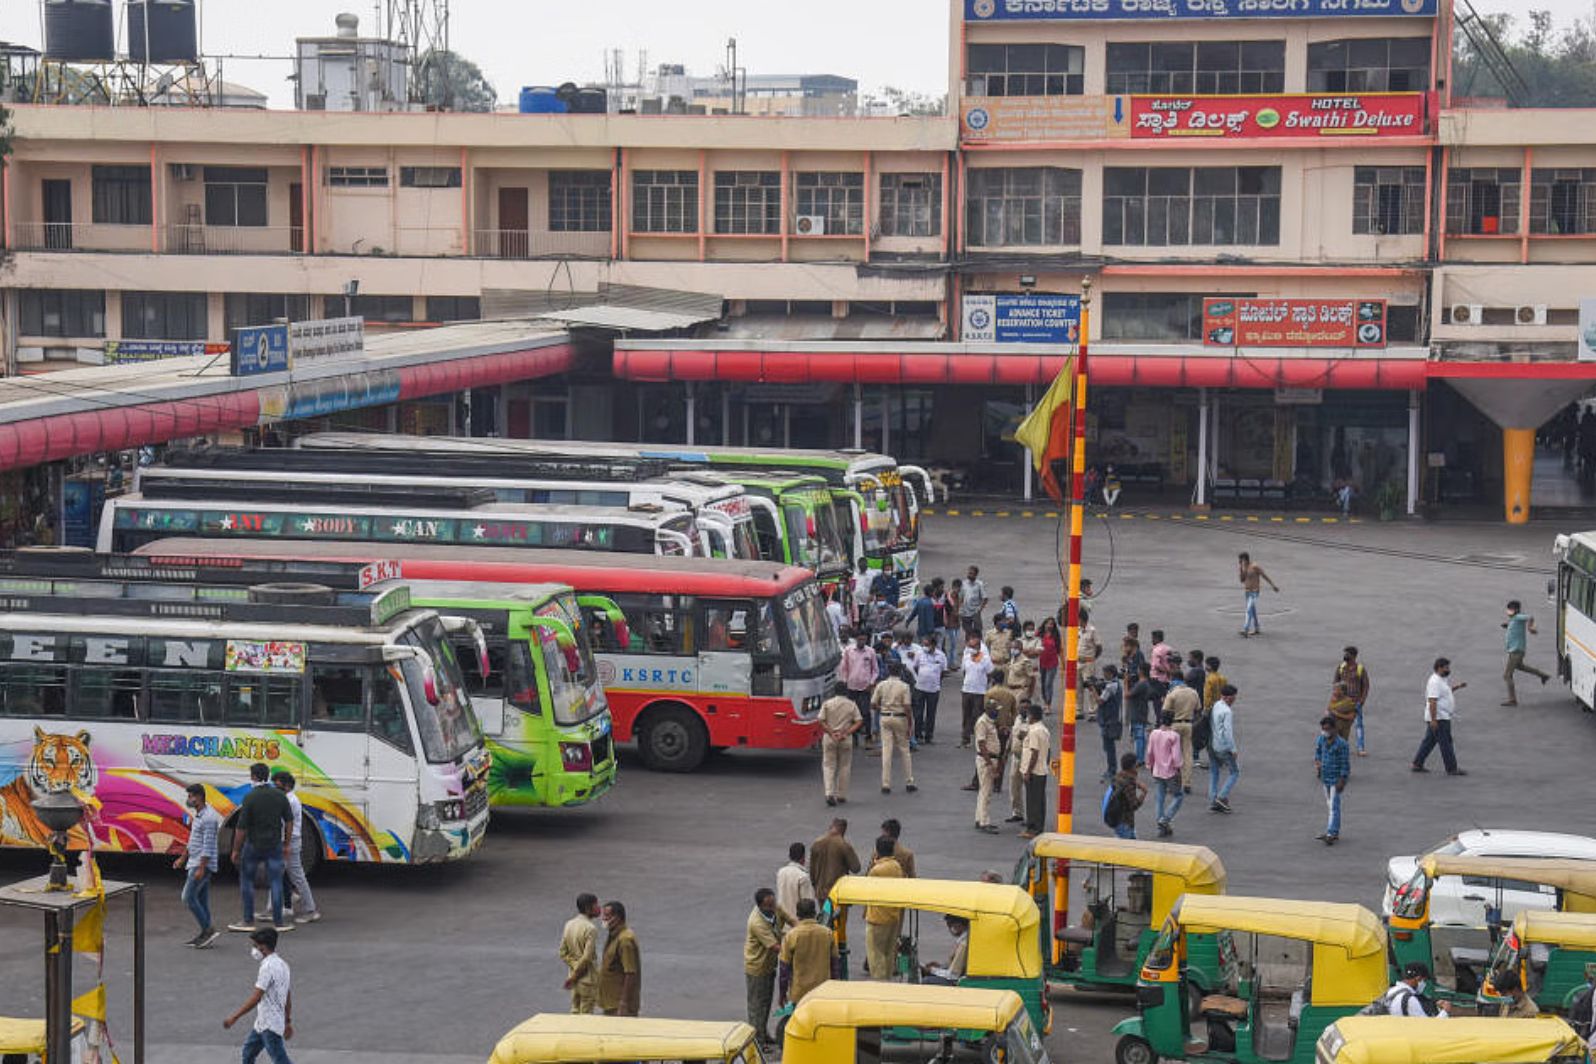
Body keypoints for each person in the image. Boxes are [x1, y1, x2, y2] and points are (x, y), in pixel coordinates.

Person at [229, 762, 295, 933]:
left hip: (253, 846)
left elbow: (241, 828)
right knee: (276, 882)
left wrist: (235, 850)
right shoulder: (280, 796)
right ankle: (279, 923)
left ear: (255, 777)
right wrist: (286, 844)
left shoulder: (250, 797)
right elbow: (289, 821)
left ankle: (248, 920)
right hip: (274, 846)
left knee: (247, 881)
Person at [224, 927, 294, 1064]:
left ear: (263, 947)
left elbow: (256, 997)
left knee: (280, 1060)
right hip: (263, 1023)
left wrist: (234, 1017)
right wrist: (287, 1021)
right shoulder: (283, 965)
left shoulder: (267, 968)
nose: (253, 950)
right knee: (248, 1053)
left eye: (255, 946)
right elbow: (287, 995)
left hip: (270, 1024)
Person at [176, 782, 222, 948]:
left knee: (188, 898)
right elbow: (194, 840)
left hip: (201, 864)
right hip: (194, 861)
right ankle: (205, 934)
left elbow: (208, 845)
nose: (188, 799)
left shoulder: (209, 818)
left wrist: (201, 868)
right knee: (201, 901)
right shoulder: (200, 814)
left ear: (199, 797)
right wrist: (183, 858)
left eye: (191, 796)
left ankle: (208, 930)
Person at [743, 887, 790, 1048]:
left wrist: (803, 930)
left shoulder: (776, 907)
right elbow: (775, 947)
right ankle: (756, 1042)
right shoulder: (757, 922)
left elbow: (792, 920)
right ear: (760, 906)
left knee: (766, 1003)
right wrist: (799, 948)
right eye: (768, 906)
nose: (773, 908)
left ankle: (762, 1033)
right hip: (757, 968)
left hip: (769, 966)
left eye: (773, 903)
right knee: (757, 1007)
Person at [270, 771, 319, 925]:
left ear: (287, 785)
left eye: (277, 783)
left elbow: (287, 825)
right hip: (288, 841)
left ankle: (310, 910)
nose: (275, 787)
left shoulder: (290, 801)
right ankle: (273, 907)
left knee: (296, 876)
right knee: (277, 873)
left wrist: (286, 844)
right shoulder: (288, 799)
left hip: (289, 841)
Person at [778, 898, 838, 1009]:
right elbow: (835, 964)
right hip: (823, 990)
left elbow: (784, 969)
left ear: (798, 915)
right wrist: (834, 988)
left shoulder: (791, 936)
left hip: (800, 993)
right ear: (815, 913)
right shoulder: (827, 933)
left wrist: (782, 994)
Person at [1412, 657, 1467, 776]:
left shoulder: (1442, 680)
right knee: (1446, 742)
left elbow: (1445, 693)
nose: (1448, 669)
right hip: (1439, 718)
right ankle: (1452, 768)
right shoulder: (1435, 682)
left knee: (1429, 741)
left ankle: (1417, 764)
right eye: (1446, 667)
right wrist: (1433, 720)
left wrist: (1458, 686)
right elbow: (1432, 701)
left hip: (1441, 716)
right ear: (1439, 668)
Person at [865, 836, 905, 979]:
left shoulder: (876, 870)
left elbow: (867, 890)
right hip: (893, 916)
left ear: (877, 850)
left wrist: (873, 863)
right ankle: (887, 981)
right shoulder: (896, 866)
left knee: (876, 956)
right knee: (888, 954)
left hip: (877, 918)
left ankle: (879, 983)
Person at [872, 663, 916, 795]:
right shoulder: (904, 686)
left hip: (885, 718)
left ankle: (886, 783)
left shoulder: (881, 685)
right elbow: (907, 707)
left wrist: (884, 709)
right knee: (904, 750)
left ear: (888, 671)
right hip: (900, 717)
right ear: (900, 672)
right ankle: (909, 781)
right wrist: (910, 724)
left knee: (886, 751)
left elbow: (873, 704)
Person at [817, 683, 863, 806]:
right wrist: (846, 733)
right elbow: (859, 721)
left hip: (830, 737)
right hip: (845, 738)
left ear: (834, 691)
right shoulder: (851, 704)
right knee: (845, 766)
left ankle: (829, 793)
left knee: (828, 765)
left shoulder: (827, 704)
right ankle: (841, 795)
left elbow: (821, 720)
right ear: (846, 692)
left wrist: (832, 732)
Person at [1501, 599, 1551, 706]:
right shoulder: (1514, 619)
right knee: (1521, 667)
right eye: (1508, 609)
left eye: (1511, 609)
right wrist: (1507, 626)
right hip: (1514, 651)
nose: (1509, 611)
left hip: (1516, 651)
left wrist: (1530, 627)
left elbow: (1530, 617)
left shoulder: (1519, 617)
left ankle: (1512, 700)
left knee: (1507, 675)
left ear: (1516, 610)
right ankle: (1543, 675)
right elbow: (1514, 626)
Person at [559, 894, 602, 1014]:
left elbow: (562, 952)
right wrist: (576, 975)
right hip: (587, 980)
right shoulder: (590, 928)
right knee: (586, 1016)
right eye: (596, 905)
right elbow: (587, 958)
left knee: (574, 1012)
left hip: (573, 979)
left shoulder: (569, 924)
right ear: (588, 908)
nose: (599, 908)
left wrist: (574, 966)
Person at [598, 900, 641, 1017]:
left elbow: (630, 973)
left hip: (618, 1006)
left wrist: (623, 1003)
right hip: (610, 1002)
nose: (603, 918)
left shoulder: (625, 940)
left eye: (607, 916)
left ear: (617, 918)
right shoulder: (614, 935)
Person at [1314, 715, 1350, 845]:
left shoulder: (1342, 744)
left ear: (1335, 729)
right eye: (1323, 729)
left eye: (1328, 729)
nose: (1325, 732)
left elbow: (1345, 763)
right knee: (1330, 805)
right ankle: (1334, 831)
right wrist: (1318, 762)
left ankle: (1331, 832)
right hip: (1325, 778)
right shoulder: (1321, 740)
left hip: (1335, 779)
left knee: (1334, 806)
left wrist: (1342, 779)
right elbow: (1318, 752)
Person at [1147, 712, 1183, 838]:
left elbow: (1150, 752)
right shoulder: (1174, 736)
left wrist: (1149, 765)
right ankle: (1165, 819)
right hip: (1170, 771)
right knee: (1178, 796)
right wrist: (1178, 767)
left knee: (1160, 798)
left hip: (1157, 770)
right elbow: (1176, 756)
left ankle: (1160, 822)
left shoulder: (1154, 733)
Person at [809, 819, 862, 905]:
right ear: (843, 830)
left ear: (831, 827)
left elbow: (812, 869)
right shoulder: (843, 845)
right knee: (839, 917)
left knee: (825, 916)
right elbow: (856, 868)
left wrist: (815, 884)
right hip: (838, 891)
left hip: (821, 891)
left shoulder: (817, 843)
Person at [841, 630, 878, 747]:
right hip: (851, 687)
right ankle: (854, 737)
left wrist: (871, 683)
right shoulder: (849, 650)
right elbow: (844, 668)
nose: (862, 641)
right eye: (860, 639)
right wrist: (845, 681)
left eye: (864, 639)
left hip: (865, 688)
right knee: (852, 713)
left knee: (865, 712)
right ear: (856, 639)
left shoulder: (870, 652)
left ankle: (868, 737)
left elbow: (875, 670)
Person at [1163, 676, 1200, 793]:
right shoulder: (1194, 693)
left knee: (1172, 754)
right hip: (1188, 725)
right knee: (1187, 755)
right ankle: (1186, 782)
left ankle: (1173, 783)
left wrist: (1164, 725)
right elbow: (1198, 709)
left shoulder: (1173, 693)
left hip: (1174, 725)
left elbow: (1165, 711)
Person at [908, 633, 947, 744]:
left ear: (933, 645)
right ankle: (918, 735)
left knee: (931, 713)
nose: (925, 646)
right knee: (918, 713)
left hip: (933, 689)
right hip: (919, 688)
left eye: (928, 644)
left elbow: (943, 671)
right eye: (924, 644)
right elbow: (915, 667)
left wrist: (935, 680)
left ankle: (929, 736)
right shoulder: (920, 653)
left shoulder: (941, 655)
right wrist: (922, 677)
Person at [1020, 703, 1052, 839]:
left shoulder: (1034, 731)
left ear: (1032, 716)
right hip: (1041, 769)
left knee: (1032, 801)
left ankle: (1033, 828)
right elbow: (1048, 751)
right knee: (1039, 800)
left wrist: (1028, 771)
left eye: (1028, 715)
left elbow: (1034, 753)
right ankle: (1038, 826)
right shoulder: (1043, 730)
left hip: (1034, 771)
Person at [1208, 684, 1240, 813]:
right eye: (1234, 697)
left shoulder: (1216, 705)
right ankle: (1221, 797)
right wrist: (1233, 749)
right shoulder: (1227, 711)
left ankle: (1213, 799)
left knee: (1214, 772)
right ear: (1228, 697)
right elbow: (1227, 733)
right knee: (1235, 772)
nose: (1235, 700)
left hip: (1212, 745)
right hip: (1222, 746)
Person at [1335, 646, 1372, 757]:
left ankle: (1360, 748)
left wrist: (1362, 700)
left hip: (1355, 701)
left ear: (1354, 656)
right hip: (1342, 702)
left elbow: (1366, 686)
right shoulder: (1341, 668)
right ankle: (1340, 746)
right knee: (1340, 724)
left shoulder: (1360, 669)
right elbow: (1335, 683)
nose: (1345, 656)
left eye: (1347, 654)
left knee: (1358, 725)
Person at [973, 700, 1002, 834]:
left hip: (989, 758)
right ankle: (984, 822)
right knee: (986, 792)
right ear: (989, 709)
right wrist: (989, 763)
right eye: (996, 709)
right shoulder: (982, 722)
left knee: (983, 790)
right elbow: (982, 743)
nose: (998, 711)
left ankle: (979, 819)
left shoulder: (989, 721)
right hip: (987, 759)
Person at [960, 633, 994, 747]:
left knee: (977, 715)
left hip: (980, 691)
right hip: (967, 689)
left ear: (979, 647)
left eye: (974, 647)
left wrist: (984, 685)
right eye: (971, 647)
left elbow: (990, 673)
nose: (972, 649)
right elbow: (964, 671)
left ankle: (979, 738)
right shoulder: (966, 657)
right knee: (966, 714)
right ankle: (965, 739)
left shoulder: (985, 659)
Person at [1104, 753, 1147, 840]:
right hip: (1125, 823)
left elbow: (1127, 780)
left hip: (1117, 821)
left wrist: (1135, 782)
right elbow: (1134, 805)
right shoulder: (1128, 784)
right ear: (1132, 767)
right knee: (1129, 849)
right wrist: (1144, 793)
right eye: (1136, 764)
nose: (1137, 766)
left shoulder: (1118, 777)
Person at [1383, 961, 1450, 1017]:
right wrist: (1445, 1011)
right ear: (1418, 978)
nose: (1424, 984)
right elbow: (1427, 1028)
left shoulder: (1391, 992)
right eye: (1424, 980)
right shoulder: (1409, 999)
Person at [1237, 552, 1280, 638]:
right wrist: (1241, 569)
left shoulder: (1255, 566)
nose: (1240, 561)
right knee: (1252, 610)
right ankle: (1257, 628)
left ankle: (1246, 629)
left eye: (1241, 560)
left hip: (1254, 592)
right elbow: (1242, 580)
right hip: (1247, 592)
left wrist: (1273, 585)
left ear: (1245, 559)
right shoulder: (1243, 567)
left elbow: (1264, 576)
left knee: (1249, 610)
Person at [1005, 699, 1033, 826]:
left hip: (1027, 758)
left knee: (1029, 788)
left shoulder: (1032, 722)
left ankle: (1031, 816)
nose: (1024, 710)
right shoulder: (1017, 719)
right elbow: (1012, 735)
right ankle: (1017, 813)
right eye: (1022, 708)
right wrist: (1006, 750)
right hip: (1015, 757)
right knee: (1014, 786)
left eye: (1026, 708)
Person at [920, 916, 970, 985]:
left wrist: (932, 970)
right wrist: (940, 967)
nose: (949, 928)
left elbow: (952, 975)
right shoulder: (962, 940)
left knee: (926, 980)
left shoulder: (964, 944)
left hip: (956, 981)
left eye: (949, 924)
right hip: (956, 975)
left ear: (958, 924)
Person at [1095, 665, 1124, 783]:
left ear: (1111, 673)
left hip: (1109, 721)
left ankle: (1112, 770)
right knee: (1108, 747)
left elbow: (1100, 701)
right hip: (1111, 719)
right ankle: (1111, 769)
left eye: (1105, 673)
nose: (1104, 675)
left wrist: (1093, 690)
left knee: (1109, 747)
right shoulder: (1114, 684)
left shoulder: (1111, 686)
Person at [1126, 661, 1157, 767]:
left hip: (1137, 712)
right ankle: (1141, 758)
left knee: (1139, 737)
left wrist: (1126, 681)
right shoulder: (1146, 683)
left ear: (1141, 671)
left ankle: (1139, 759)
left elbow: (1128, 695)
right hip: (1142, 711)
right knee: (1141, 737)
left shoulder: (1141, 684)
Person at [776, 843, 816, 924]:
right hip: (797, 923)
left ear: (790, 856)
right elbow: (808, 903)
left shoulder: (781, 872)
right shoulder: (803, 877)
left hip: (782, 921)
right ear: (803, 857)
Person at [1038, 616, 1063, 712]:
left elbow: (1059, 650)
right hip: (1042, 662)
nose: (1049, 626)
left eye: (1051, 624)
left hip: (1052, 663)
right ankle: (1045, 701)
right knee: (1043, 683)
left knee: (1049, 683)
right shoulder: (1039, 634)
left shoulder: (1056, 636)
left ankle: (1048, 704)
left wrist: (1063, 663)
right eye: (1048, 623)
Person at [938, 578, 962, 663]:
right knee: (951, 645)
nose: (958, 590)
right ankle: (949, 663)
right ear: (953, 587)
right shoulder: (947, 597)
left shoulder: (957, 596)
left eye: (959, 588)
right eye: (957, 588)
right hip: (949, 624)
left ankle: (952, 662)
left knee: (954, 645)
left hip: (956, 623)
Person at [960, 565, 987, 635]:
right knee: (967, 631)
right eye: (969, 573)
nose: (969, 575)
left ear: (976, 575)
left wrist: (980, 609)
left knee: (978, 631)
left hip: (975, 611)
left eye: (971, 573)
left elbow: (985, 598)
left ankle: (979, 645)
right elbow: (960, 597)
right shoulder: (963, 584)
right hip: (965, 611)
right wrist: (960, 608)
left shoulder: (979, 584)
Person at [850, 559, 873, 628]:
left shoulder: (871, 575)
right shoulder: (855, 576)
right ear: (858, 565)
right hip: (858, 604)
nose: (863, 566)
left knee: (868, 623)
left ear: (866, 565)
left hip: (868, 603)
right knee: (859, 622)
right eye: (861, 565)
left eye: (864, 564)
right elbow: (852, 588)